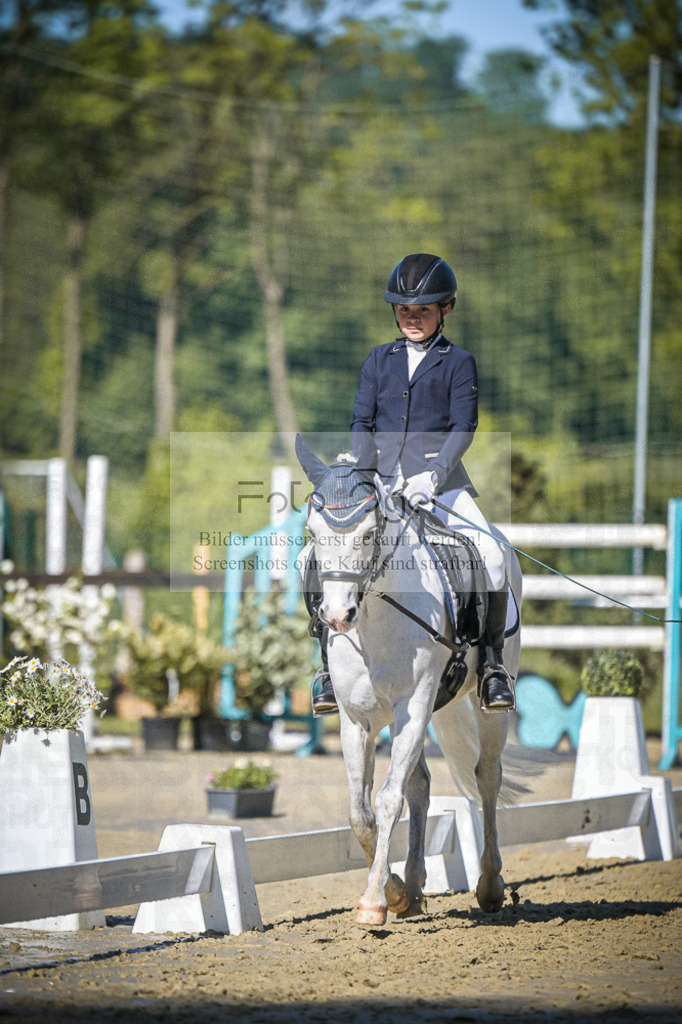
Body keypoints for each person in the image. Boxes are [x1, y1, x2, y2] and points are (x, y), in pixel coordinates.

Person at [310, 252, 515, 716]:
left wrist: (434, 474)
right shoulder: (378, 360)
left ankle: (492, 668)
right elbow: (362, 421)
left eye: (422, 310)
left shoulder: (458, 362)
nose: (412, 318)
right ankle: (326, 666)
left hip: (440, 484)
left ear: (446, 308)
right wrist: (360, 467)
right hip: (380, 483)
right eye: (404, 310)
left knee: (492, 558)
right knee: (318, 554)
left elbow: (464, 426)